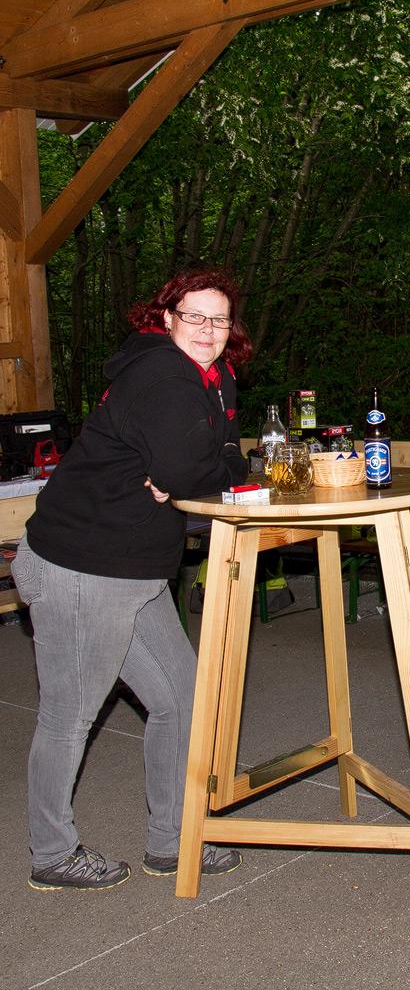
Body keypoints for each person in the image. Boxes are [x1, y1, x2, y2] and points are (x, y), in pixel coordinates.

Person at [12, 268, 251, 891]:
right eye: (193, 316)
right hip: (82, 565)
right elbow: (187, 468)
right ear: (167, 319)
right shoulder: (160, 374)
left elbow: (223, 460)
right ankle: (52, 853)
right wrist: (195, 468)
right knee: (70, 716)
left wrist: (205, 466)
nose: (207, 329)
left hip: (137, 569)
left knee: (182, 699)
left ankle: (173, 840)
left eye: (219, 319)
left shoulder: (216, 377)